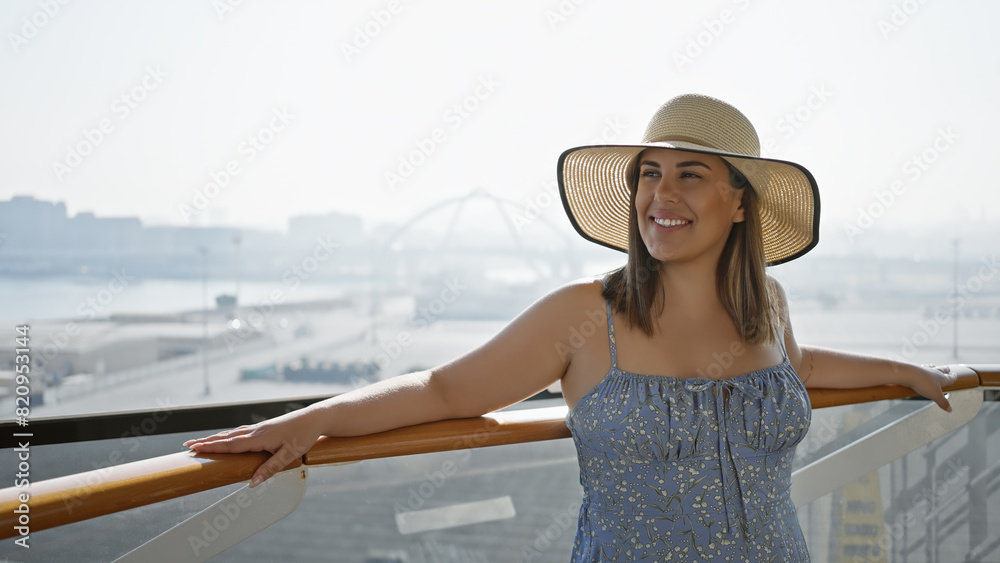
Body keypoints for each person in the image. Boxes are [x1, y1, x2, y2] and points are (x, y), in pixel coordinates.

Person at [185, 94, 956, 561]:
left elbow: (801, 368)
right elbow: (446, 387)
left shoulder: (770, 305)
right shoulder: (586, 317)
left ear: (741, 202)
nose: (662, 192)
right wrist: (313, 419)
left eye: (690, 174)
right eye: (649, 172)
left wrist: (913, 371)